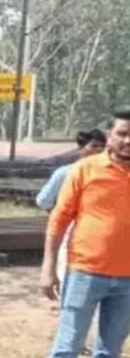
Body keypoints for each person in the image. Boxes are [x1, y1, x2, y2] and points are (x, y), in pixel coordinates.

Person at [42, 109, 130, 358]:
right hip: (85, 272)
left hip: (128, 280)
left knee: (110, 350)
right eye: (122, 133)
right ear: (110, 136)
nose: (128, 140)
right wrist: (48, 268)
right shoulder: (84, 170)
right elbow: (58, 220)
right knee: (68, 346)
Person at [35, 129, 107, 307]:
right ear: (81, 148)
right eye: (93, 146)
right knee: (68, 268)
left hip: (97, 230)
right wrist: (63, 217)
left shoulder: (109, 173)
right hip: (70, 228)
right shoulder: (66, 173)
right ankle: (67, 304)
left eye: (102, 147)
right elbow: (44, 200)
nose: (98, 151)